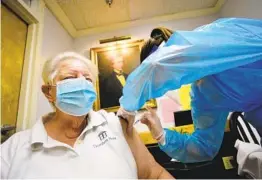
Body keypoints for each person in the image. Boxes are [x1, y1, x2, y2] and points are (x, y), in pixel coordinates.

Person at [0, 52, 173, 179]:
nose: (82, 83)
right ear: (49, 92)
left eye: (88, 80)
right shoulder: (13, 149)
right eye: (70, 77)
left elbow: (154, 175)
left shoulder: (116, 125)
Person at [118, 18, 262, 163]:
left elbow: (161, 62)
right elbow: (204, 147)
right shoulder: (203, 92)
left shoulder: (212, 36)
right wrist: (161, 134)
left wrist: (128, 105)